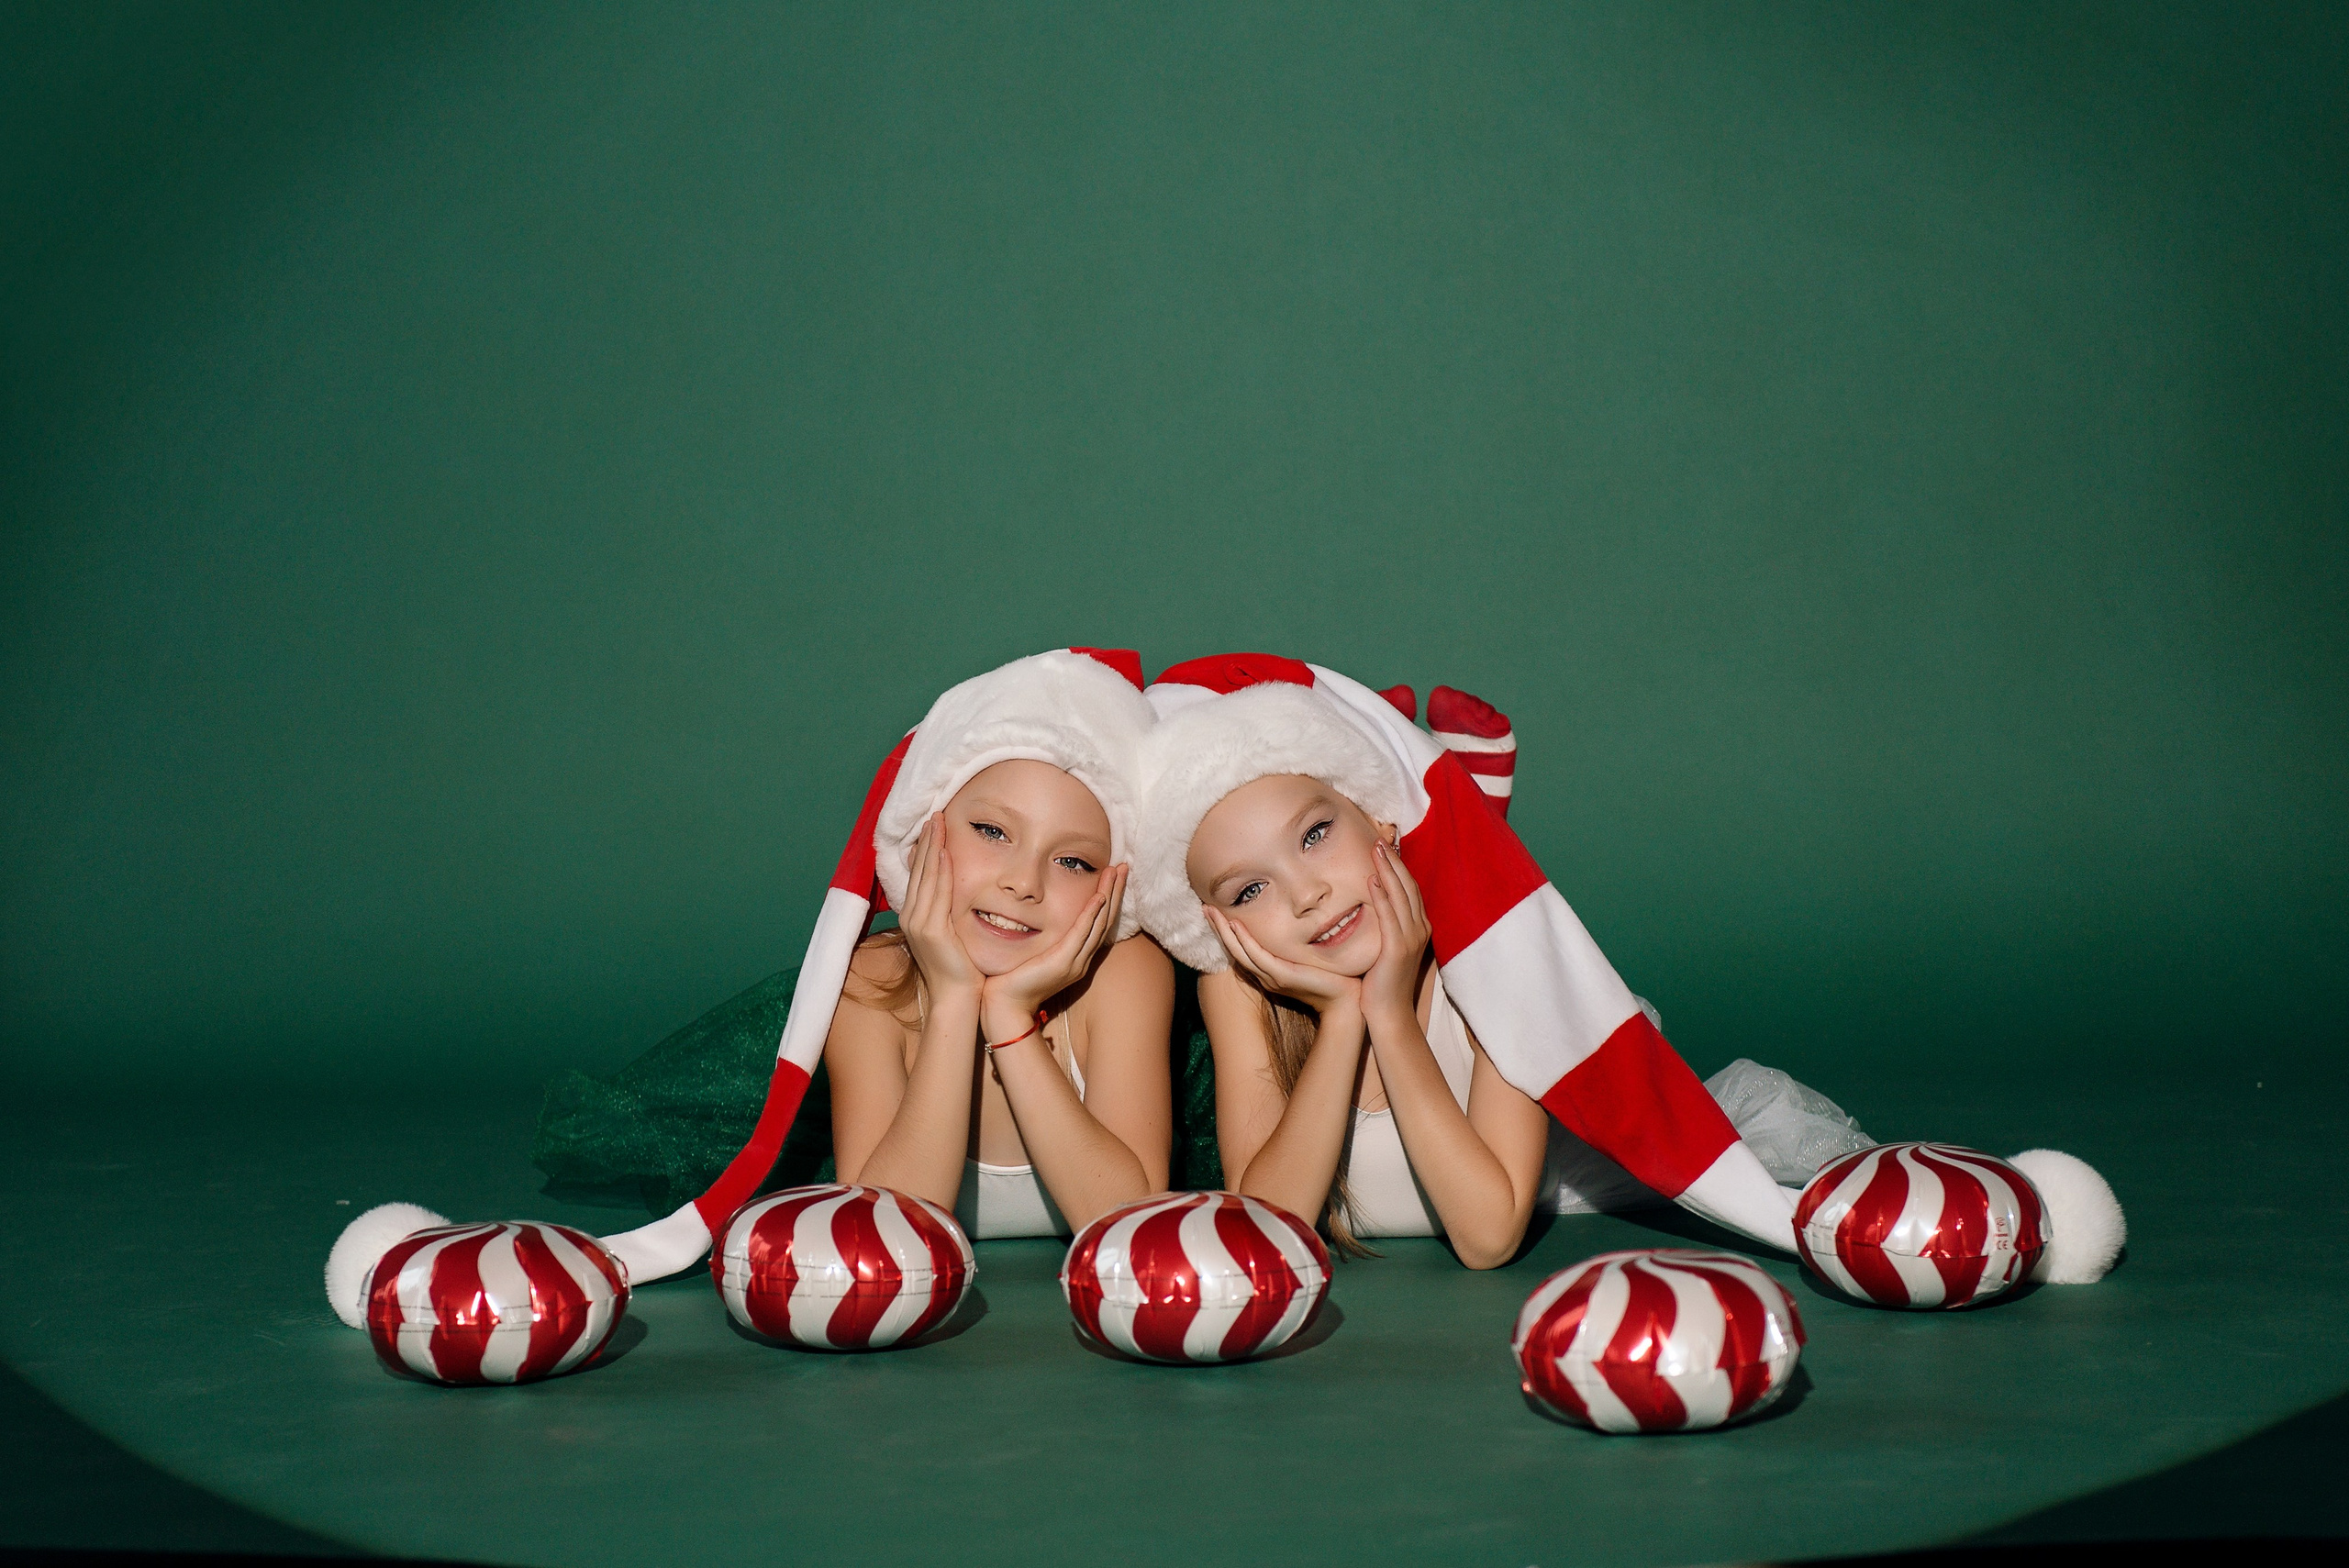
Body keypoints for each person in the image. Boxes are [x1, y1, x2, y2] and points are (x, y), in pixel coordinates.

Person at [1132, 655, 1858, 1269]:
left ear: (1384, 821)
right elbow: (1267, 1227)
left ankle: (1459, 808)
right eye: (1251, 888)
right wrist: (1343, 1014)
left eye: (1316, 833)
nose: (1307, 893)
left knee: (1467, 892)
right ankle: (1462, 791)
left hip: (1551, 1136)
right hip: (1339, 942)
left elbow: (1486, 1236)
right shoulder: (1238, 988)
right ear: (1215, 924)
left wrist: (1391, 1012)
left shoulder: (1489, 958)